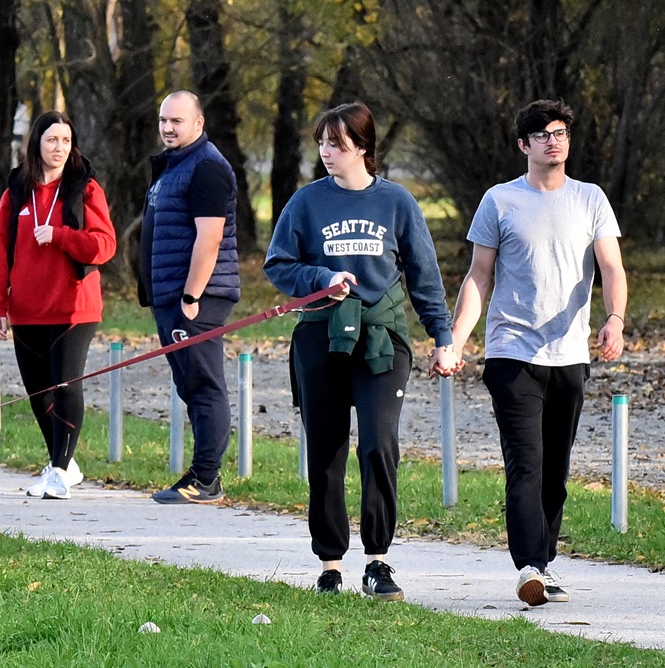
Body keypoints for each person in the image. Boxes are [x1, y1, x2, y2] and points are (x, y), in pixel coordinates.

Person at [264, 102, 459, 600]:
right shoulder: (306, 202)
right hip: (320, 338)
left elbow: (424, 276)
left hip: (381, 341)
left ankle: (378, 561)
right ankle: (330, 566)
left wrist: (443, 338)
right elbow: (278, 264)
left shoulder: (396, 202)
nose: (326, 152)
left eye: (337, 144)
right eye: (322, 143)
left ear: (363, 147)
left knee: (378, 443)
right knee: (325, 450)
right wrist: (321, 278)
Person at [443, 98, 627, 606]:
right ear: (524, 144)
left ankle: (543, 562)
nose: (554, 141)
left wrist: (614, 319)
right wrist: (455, 341)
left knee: (555, 470)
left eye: (560, 132)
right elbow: (479, 277)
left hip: (569, 355)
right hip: (511, 353)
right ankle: (529, 566)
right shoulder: (500, 200)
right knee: (526, 462)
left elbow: (611, 267)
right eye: (543, 134)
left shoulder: (590, 199)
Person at [0, 111, 117, 500]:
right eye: (51, 140)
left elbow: (104, 245)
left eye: (66, 141)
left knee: (65, 386)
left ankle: (59, 471)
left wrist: (61, 236)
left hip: (74, 308)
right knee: (38, 392)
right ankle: (64, 463)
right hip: (27, 310)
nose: (59, 148)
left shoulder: (85, 189)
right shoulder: (16, 192)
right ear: (37, 144)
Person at [139, 90, 240, 504]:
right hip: (171, 296)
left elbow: (210, 237)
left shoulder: (207, 167)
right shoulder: (175, 165)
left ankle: (206, 479)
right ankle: (201, 474)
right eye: (163, 120)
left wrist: (191, 295)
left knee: (203, 384)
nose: (167, 127)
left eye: (176, 121)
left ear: (199, 123)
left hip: (197, 298)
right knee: (189, 385)